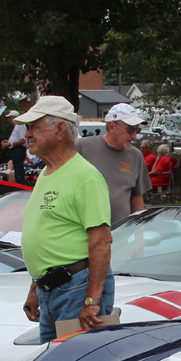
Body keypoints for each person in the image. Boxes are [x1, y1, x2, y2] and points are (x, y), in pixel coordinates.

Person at [18, 96, 115, 344]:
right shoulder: (47, 173)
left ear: (60, 129)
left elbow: (101, 242)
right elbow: (50, 234)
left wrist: (92, 302)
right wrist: (36, 288)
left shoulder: (85, 176)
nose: (27, 134)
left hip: (75, 289)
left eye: (34, 127)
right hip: (55, 289)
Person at [75, 102, 151, 227]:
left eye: (137, 130)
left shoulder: (135, 155)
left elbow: (137, 199)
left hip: (120, 238)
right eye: (130, 130)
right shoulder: (82, 147)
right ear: (111, 126)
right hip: (83, 234)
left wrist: (139, 237)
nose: (134, 136)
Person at [6, 110, 27, 185]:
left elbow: (23, 140)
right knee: (17, 170)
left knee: (19, 171)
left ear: (14, 117)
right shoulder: (17, 126)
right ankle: (19, 185)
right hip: (16, 150)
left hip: (18, 150)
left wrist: (10, 144)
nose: (9, 120)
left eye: (10, 117)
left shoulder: (20, 125)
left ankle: (21, 186)